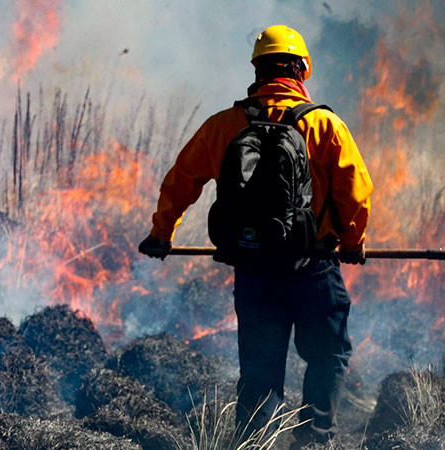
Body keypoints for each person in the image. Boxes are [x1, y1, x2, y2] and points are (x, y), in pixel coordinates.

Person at [139, 24, 373, 446]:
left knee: (260, 371)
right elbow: (355, 194)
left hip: (253, 269)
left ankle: (253, 442)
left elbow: (180, 181)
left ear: (258, 71)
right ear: (302, 70)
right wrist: (353, 243)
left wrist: (161, 234)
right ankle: (313, 439)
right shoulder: (324, 125)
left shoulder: (223, 125)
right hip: (312, 268)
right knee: (328, 355)